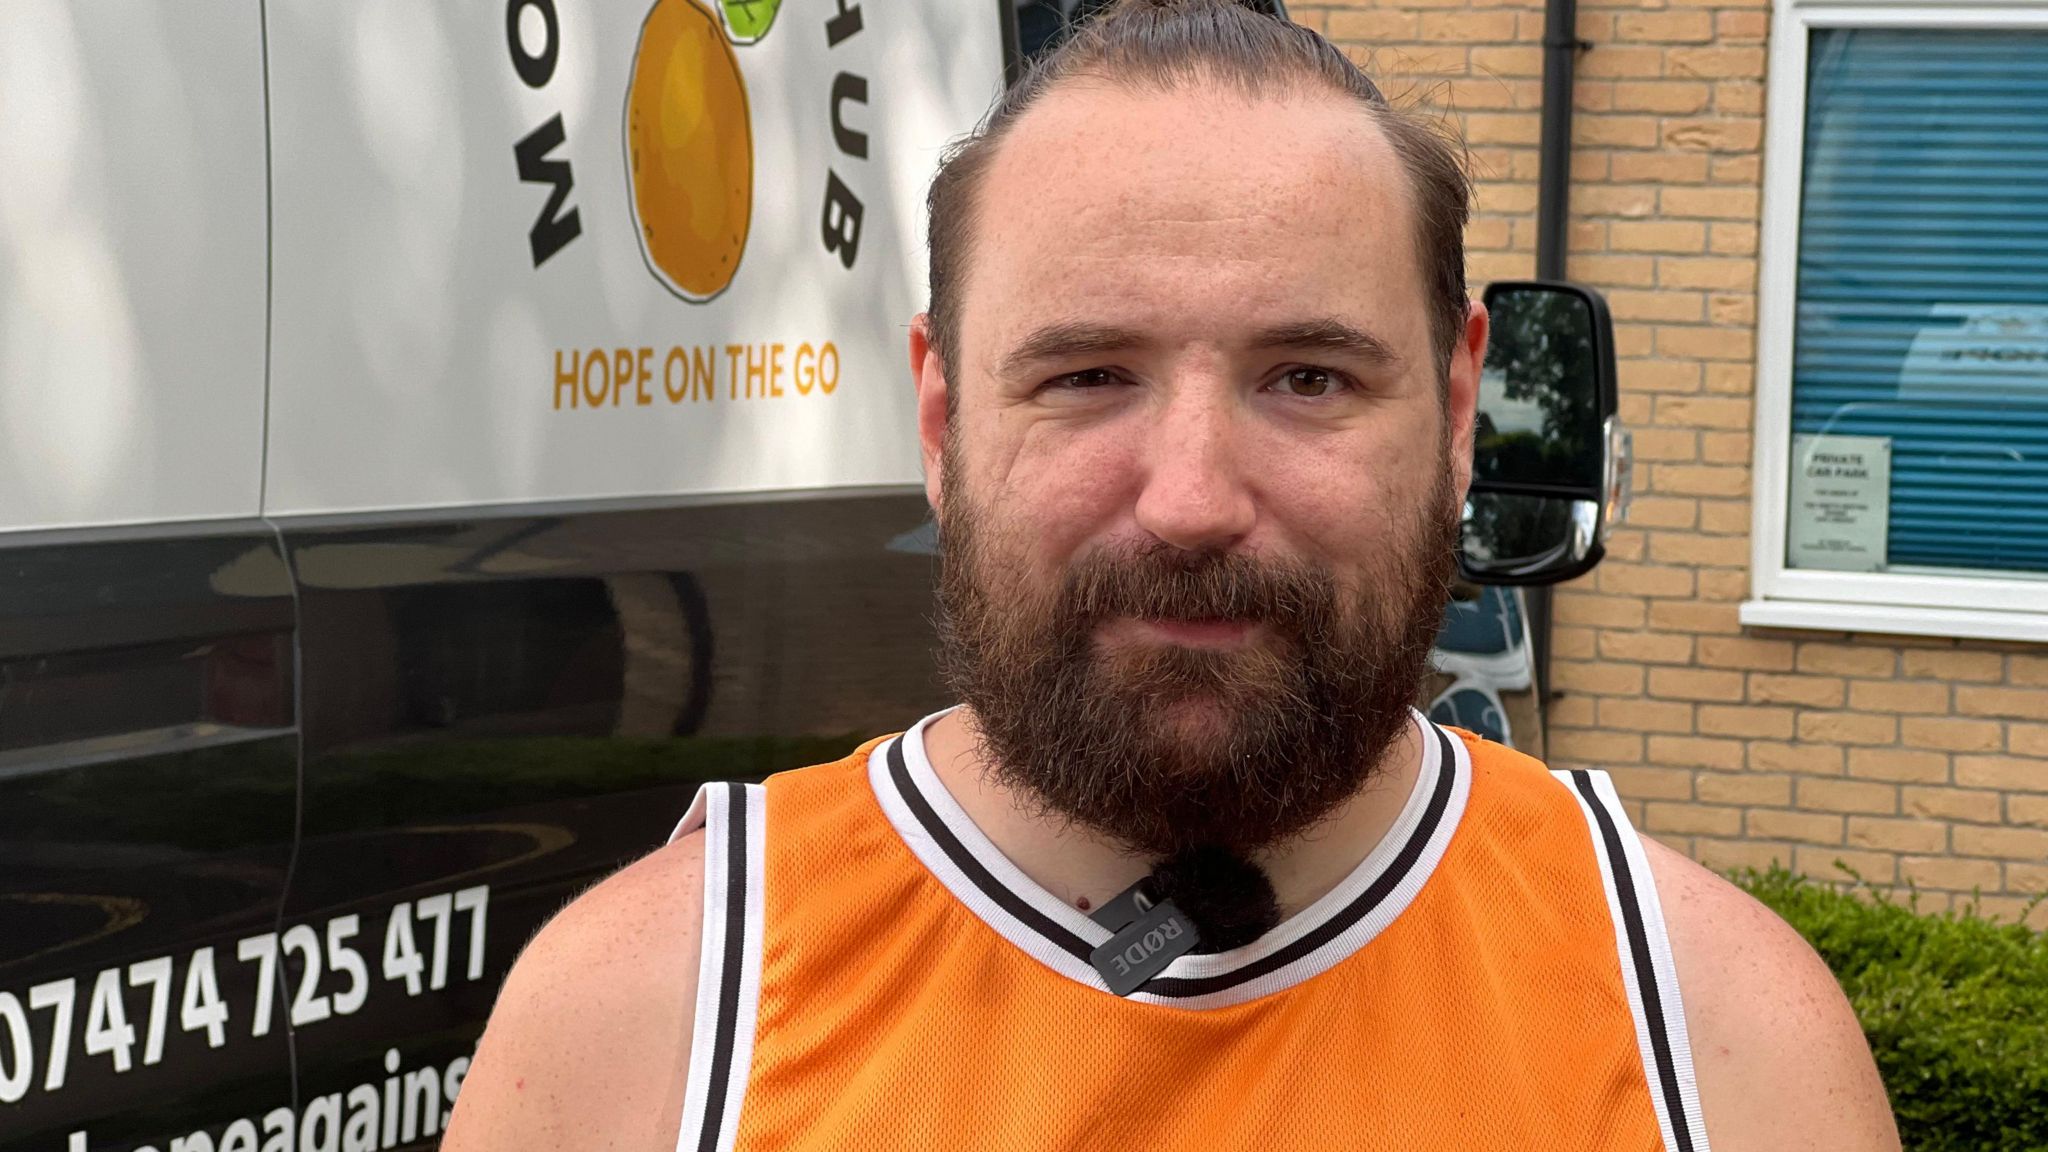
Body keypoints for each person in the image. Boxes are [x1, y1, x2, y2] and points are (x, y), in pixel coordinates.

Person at [443, 2, 1900, 1148]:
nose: (1193, 499)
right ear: (944, 423)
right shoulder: (648, 1021)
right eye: (1087, 375)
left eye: (1311, 377)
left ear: (1459, 416)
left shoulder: (1722, 1041)